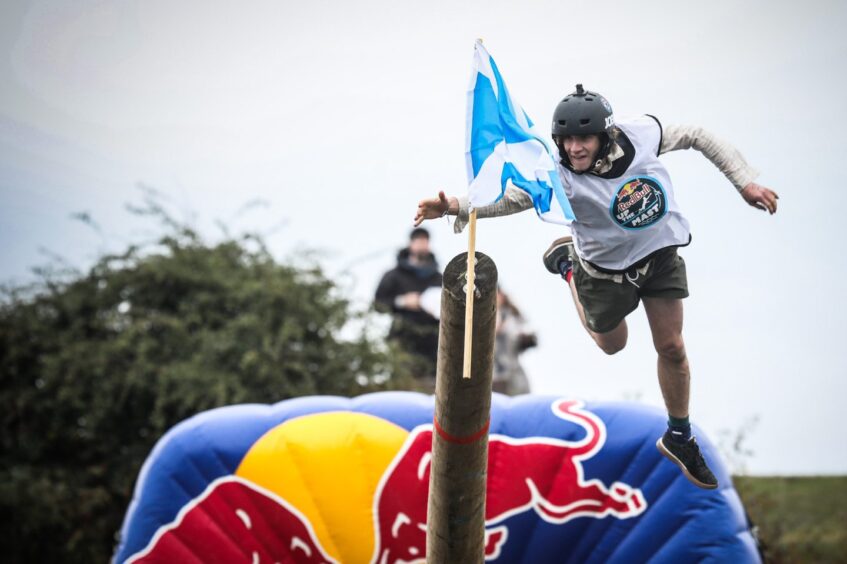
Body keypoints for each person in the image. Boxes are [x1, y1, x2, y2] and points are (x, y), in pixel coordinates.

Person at [413, 84, 779, 489]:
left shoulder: (640, 134)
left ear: (604, 136)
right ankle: (568, 264)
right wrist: (456, 206)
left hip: (658, 256)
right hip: (603, 271)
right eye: (567, 139)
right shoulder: (557, 173)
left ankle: (679, 434)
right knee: (612, 344)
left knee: (672, 346)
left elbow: (697, 135)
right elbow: (515, 198)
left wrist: (744, 181)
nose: (575, 148)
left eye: (583, 138)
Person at [374, 227, 443, 386]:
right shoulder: (393, 276)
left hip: (432, 343)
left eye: (425, 241)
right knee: (402, 384)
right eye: (418, 241)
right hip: (403, 340)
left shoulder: (438, 277)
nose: (422, 245)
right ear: (411, 244)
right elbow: (378, 304)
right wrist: (402, 301)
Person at [493, 287, 537, 395]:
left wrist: (526, 339)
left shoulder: (512, 317)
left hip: (512, 376)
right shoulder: (487, 316)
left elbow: (527, 335)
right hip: (494, 377)